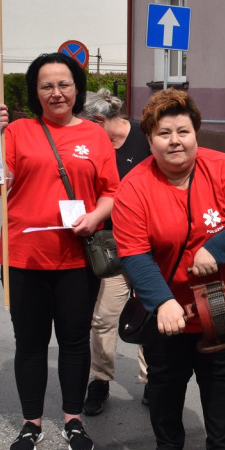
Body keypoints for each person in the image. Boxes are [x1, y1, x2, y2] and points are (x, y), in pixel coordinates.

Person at [112, 90, 225, 450]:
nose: (175, 140)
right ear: (149, 140)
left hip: (219, 303)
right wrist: (162, 301)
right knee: (165, 386)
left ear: (196, 133)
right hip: (166, 311)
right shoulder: (134, 186)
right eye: (164, 132)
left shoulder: (224, 168)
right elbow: (132, 252)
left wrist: (213, 249)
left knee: (219, 383)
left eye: (183, 130)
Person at [0, 52, 119, 450]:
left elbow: (112, 191)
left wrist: (95, 217)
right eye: (46, 85)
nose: (56, 92)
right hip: (23, 256)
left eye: (64, 84)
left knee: (75, 343)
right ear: (35, 91)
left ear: (77, 88)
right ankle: (31, 423)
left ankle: (73, 418)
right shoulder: (18, 132)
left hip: (77, 259)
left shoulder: (96, 135)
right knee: (29, 343)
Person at [78, 89, 151, 415]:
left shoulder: (146, 138)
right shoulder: (94, 146)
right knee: (103, 319)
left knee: (150, 314)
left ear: (98, 120)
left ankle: (152, 381)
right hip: (110, 247)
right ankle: (100, 380)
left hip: (149, 244)